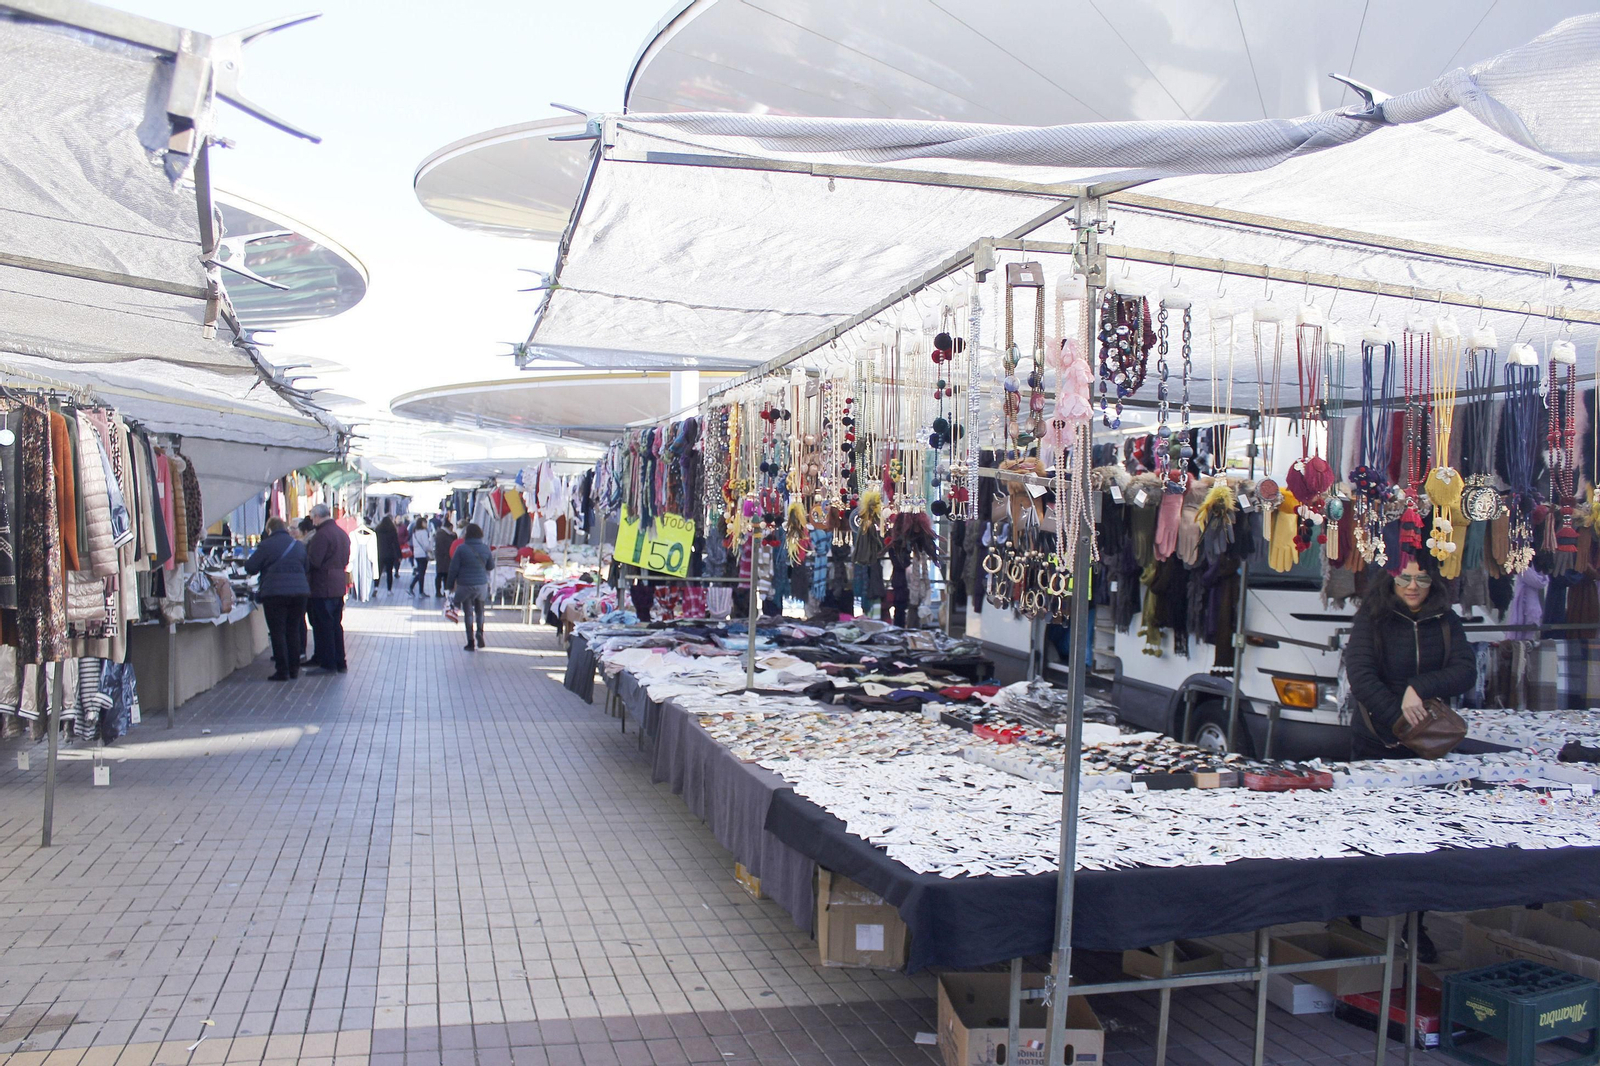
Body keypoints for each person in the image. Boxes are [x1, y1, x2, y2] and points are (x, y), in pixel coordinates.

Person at [1344, 553, 1476, 760]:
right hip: (1377, 739)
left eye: (1421, 579)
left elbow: (1465, 672)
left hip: (1431, 738)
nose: (1412, 587)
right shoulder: (1371, 618)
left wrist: (1418, 688)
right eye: (1404, 579)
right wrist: (1402, 721)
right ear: (1391, 580)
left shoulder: (1446, 619)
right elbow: (1361, 677)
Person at [245, 516, 310, 681]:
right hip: (300, 593)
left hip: (275, 593)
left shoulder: (266, 545)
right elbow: (306, 567)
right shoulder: (298, 545)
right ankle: (294, 668)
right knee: (293, 630)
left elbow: (250, 567)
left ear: (269, 530)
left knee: (278, 632)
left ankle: (282, 670)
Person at [306, 504, 352, 674]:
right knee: (335, 624)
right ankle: (339, 661)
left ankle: (328, 663)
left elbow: (314, 561)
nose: (312, 520)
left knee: (324, 624)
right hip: (338, 584)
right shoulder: (341, 533)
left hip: (323, 585)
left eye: (312, 517)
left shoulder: (321, 535)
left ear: (318, 516)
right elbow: (346, 558)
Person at [447, 522, 493, 651]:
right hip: (481, 585)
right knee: (480, 610)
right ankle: (480, 632)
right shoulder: (485, 548)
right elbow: (491, 566)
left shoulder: (461, 548)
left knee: (468, 613)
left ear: (467, 534)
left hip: (465, 585)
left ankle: (470, 642)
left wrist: (449, 585)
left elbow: (453, 569)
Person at [295, 517, 317, 664]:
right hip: (312, 586)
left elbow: (308, 565)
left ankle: (301, 651)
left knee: (301, 620)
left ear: (304, 531)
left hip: (307, 586)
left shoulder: (305, 544)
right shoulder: (316, 538)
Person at [408, 517, 434, 596]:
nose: (426, 524)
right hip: (423, 554)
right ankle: (419, 591)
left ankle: (413, 588)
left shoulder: (415, 532)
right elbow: (426, 545)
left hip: (417, 554)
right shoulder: (423, 532)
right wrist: (431, 545)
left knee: (420, 572)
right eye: (425, 522)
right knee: (422, 573)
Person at [375, 515, 400, 592]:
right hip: (390, 554)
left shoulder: (378, 530)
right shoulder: (392, 530)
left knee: (378, 572)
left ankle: (376, 587)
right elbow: (396, 543)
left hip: (380, 554)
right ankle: (389, 590)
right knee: (389, 572)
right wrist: (399, 555)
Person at [434, 519, 457, 598]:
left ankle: (439, 591)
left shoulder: (440, 533)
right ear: (449, 527)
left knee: (440, 575)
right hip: (445, 558)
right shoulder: (445, 534)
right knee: (445, 575)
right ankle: (444, 591)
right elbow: (450, 544)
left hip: (441, 558)